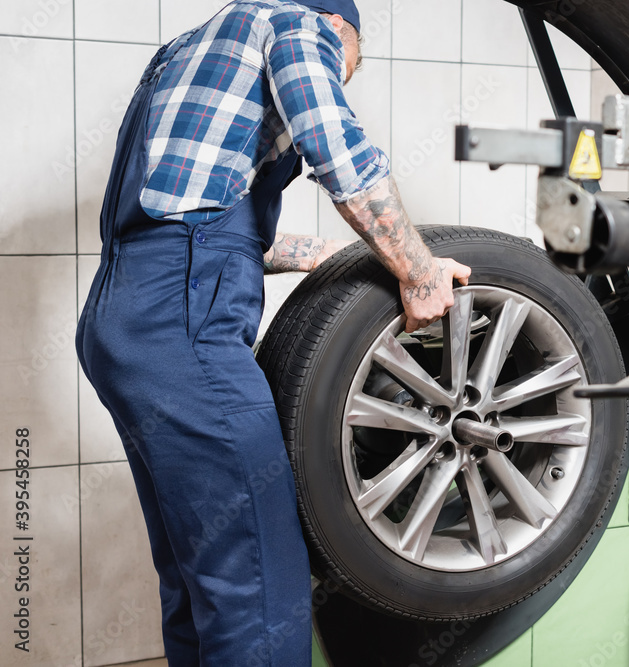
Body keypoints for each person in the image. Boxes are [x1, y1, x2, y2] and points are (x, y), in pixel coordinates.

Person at [75, 1, 471, 664]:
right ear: (340, 31)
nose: (334, 75)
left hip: (125, 317)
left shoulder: (182, 52)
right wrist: (418, 268)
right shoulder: (297, 26)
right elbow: (336, 145)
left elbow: (193, 216)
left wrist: (325, 253)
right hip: (184, 326)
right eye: (342, 69)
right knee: (258, 587)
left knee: (197, 577)